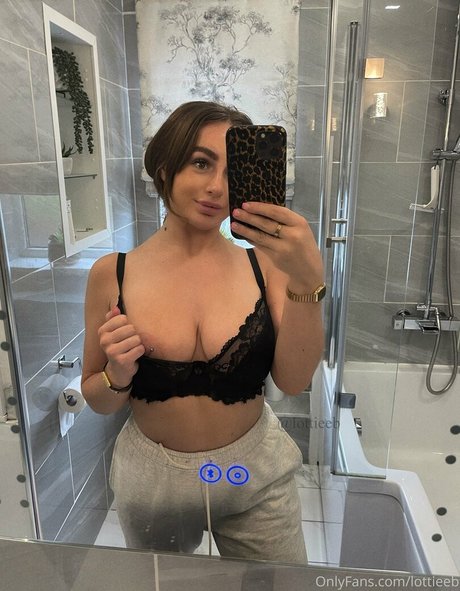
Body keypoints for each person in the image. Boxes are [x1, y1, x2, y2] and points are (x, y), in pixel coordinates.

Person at [81, 101, 325, 565]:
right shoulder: (111, 274)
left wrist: (307, 280)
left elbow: (294, 381)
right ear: (165, 169)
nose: (217, 186)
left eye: (233, 172)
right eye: (200, 163)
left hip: (253, 474)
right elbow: (98, 399)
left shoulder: (266, 266)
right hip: (153, 482)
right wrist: (117, 373)